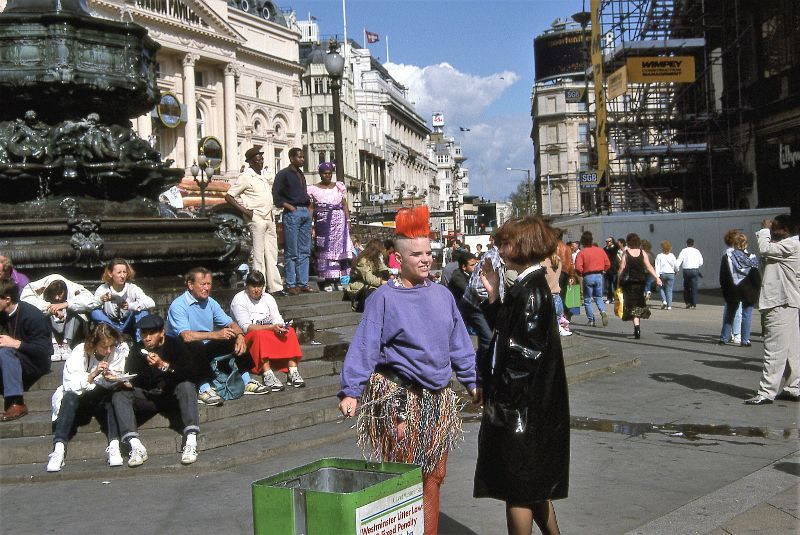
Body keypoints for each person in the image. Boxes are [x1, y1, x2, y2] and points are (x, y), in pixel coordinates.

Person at [338, 205, 478, 535]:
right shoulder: (383, 298)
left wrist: (472, 380)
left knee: (435, 475)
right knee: (404, 477)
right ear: (398, 259)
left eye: (428, 253)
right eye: (417, 254)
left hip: (438, 399)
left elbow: (459, 343)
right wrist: (351, 390)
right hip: (400, 398)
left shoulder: (443, 295)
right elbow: (365, 345)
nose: (426, 259)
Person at [474, 216, 569, 535]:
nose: (500, 250)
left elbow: (522, 357)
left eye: (506, 243)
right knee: (533, 484)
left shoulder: (530, 291)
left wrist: (499, 396)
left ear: (523, 246)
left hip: (522, 410)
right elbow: (511, 337)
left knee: (518, 489)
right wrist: (494, 297)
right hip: (530, 407)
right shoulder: (528, 287)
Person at [166, 267, 269, 406]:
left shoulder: (210, 302)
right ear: (190, 285)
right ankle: (203, 388)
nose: (206, 288)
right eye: (203, 284)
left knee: (233, 336)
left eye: (209, 284)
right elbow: (186, 336)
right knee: (194, 344)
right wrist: (215, 334)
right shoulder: (178, 305)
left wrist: (239, 336)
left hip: (203, 347)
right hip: (180, 352)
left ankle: (246, 380)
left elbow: (231, 323)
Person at [112, 314, 201, 466]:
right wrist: (126, 382)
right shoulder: (137, 349)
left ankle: (191, 440)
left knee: (186, 385)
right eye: (143, 333)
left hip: (172, 396)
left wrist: (163, 365)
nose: (147, 338)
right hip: (149, 396)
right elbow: (134, 376)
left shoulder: (175, 345)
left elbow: (191, 373)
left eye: (151, 333)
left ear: (162, 332)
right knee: (119, 393)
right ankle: (135, 445)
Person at [46, 323, 129, 472]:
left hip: (100, 396)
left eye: (111, 346)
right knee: (69, 398)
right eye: (104, 346)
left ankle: (114, 444)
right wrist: (93, 374)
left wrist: (112, 378)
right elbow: (70, 384)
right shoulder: (80, 351)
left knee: (112, 398)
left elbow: (117, 374)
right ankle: (59, 448)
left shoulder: (115, 353)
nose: (108, 351)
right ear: (94, 343)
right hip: (79, 398)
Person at [744, 216, 800, 405]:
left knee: (774, 349)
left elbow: (765, 248)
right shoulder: (791, 245)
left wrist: (764, 230)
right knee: (792, 350)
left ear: (785, 230)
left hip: (779, 302)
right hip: (788, 302)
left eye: (774, 228)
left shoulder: (790, 245)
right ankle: (793, 387)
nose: (771, 230)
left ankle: (766, 392)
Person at [230, 271, 305, 391]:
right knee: (259, 334)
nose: (256, 290)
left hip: (267, 332)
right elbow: (246, 327)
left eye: (259, 286)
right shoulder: (239, 300)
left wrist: (281, 327)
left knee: (290, 331)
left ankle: (293, 370)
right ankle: (267, 373)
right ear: (247, 286)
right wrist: (271, 327)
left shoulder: (268, 298)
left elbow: (277, 318)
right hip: (245, 338)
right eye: (253, 286)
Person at [225, 145, 284, 295]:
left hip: (269, 217)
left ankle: (275, 287)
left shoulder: (263, 176)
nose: (261, 161)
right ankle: (259, 288)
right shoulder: (246, 176)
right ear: (250, 162)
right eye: (258, 160)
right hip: (256, 217)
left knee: (272, 254)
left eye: (262, 159)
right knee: (259, 256)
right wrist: (246, 211)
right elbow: (229, 196)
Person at [0, 279, 52, 421]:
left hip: (36, 361)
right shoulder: (2, 314)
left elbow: (44, 351)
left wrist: (18, 344)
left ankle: (17, 402)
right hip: (11, 360)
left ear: (7, 299)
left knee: (5, 352)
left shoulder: (32, 315)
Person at [21, 274, 100, 360]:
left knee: (77, 311)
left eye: (60, 294)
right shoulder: (35, 288)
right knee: (40, 313)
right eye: (53, 294)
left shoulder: (73, 288)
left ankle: (67, 344)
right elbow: (25, 301)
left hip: (70, 328)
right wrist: (49, 307)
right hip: (50, 329)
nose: (57, 298)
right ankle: (54, 345)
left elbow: (91, 301)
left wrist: (67, 304)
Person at [273, 148, 315, 295]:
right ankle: (290, 283)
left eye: (303, 157)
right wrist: (290, 207)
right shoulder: (284, 174)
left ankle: (303, 282)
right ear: (291, 158)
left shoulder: (301, 174)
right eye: (299, 157)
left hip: (304, 211)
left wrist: (308, 209)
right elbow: (276, 196)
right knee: (292, 251)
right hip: (293, 212)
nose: (302, 159)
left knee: (305, 250)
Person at [308, 162, 353, 292]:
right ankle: (328, 280)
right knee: (325, 251)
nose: (327, 176)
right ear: (320, 174)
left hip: (339, 223)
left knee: (340, 251)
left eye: (329, 173)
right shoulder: (313, 189)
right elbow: (311, 208)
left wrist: (348, 220)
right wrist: (310, 225)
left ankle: (339, 279)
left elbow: (344, 204)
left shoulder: (338, 187)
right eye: (325, 173)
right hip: (323, 224)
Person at [91, 259, 154, 340]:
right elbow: (91, 305)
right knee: (95, 312)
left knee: (143, 312)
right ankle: (111, 336)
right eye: (119, 272)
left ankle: (139, 341)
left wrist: (130, 306)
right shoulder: (103, 288)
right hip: (109, 323)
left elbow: (151, 302)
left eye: (124, 272)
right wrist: (101, 299)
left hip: (127, 322)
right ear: (110, 274)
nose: (122, 276)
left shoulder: (132, 288)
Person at [719, 231, 760, 347]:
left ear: (735, 244)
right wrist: (757, 288)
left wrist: (724, 289)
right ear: (745, 244)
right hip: (749, 290)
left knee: (730, 314)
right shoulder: (751, 258)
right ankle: (745, 340)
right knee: (747, 315)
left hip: (733, 289)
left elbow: (723, 275)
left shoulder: (727, 257)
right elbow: (756, 276)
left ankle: (724, 338)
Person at [618, 233, 662, 339]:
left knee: (630, 304)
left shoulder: (626, 253)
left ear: (628, 242)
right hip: (640, 282)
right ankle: (637, 327)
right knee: (638, 304)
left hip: (629, 283)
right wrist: (657, 278)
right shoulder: (642, 252)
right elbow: (649, 266)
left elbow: (622, 268)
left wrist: (618, 281)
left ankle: (636, 326)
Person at [575, 231, 611, 327]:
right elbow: (608, 264)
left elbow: (578, 267)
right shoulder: (600, 250)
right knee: (599, 297)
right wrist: (604, 270)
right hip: (599, 275)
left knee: (587, 299)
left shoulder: (582, 252)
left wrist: (581, 273)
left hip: (588, 276)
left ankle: (591, 320)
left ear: (583, 241)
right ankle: (603, 311)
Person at [345, 239, 389, 312]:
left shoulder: (375, 259)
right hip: (359, 287)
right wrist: (382, 282)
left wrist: (394, 274)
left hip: (367, 284)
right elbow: (369, 279)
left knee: (385, 273)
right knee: (372, 289)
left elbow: (383, 268)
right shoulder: (363, 261)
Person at [542, 249, 571, 337]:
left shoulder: (540, 263)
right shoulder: (557, 260)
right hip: (557, 297)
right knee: (554, 327)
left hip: (546, 298)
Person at [677, 238, 704, 308]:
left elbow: (679, 260)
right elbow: (701, 262)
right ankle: (693, 304)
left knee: (686, 287)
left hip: (686, 270)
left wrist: (676, 269)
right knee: (694, 287)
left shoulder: (683, 251)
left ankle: (687, 302)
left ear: (686, 244)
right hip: (695, 270)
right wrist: (696, 264)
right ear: (693, 244)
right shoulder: (697, 251)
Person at [655, 240, 679, 309]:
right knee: (669, 290)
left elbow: (657, 266)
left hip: (662, 274)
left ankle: (664, 301)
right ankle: (669, 306)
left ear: (662, 248)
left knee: (661, 287)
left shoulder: (659, 256)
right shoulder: (672, 255)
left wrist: (657, 276)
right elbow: (676, 265)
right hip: (671, 274)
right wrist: (677, 271)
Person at [603, 236, 620, 303]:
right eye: (606, 241)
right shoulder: (605, 249)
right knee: (608, 285)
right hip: (607, 269)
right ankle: (609, 298)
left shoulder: (615, 248)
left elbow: (617, 247)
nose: (607, 242)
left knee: (615, 284)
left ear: (612, 241)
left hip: (614, 268)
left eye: (609, 241)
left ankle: (617, 298)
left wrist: (613, 243)